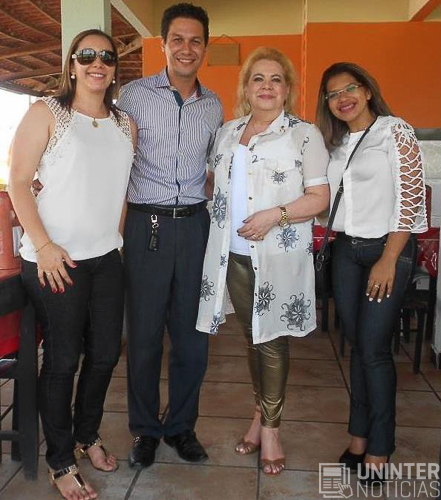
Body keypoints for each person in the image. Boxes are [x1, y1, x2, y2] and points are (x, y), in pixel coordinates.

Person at [9, 29, 136, 500]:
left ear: (114, 67)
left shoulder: (125, 123)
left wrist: (114, 242)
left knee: (105, 355)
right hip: (55, 260)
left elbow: (118, 189)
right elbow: (18, 182)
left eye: (106, 56)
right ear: (72, 64)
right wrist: (43, 245)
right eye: (87, 55)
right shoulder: (47, 113)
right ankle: (60, 459)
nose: (97, 63)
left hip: (106, 258)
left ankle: (87, 435)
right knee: (63, 360)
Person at [196, 47, 330, 476]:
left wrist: (275, 215)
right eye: (258, 78)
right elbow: (213, 183)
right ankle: (260, 415)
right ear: (246, 88)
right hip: (232, 257)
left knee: (271, 339)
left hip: (278, 256)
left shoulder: (304, 135)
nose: (267, 86)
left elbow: (319, 198)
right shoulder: (228, 132)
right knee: (252, 339)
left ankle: (270, 429)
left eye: (276, 79)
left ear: (287, 89)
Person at [117, 3, 223, 468]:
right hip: (147, 225)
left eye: (195, 40)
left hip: (196, 227)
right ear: (162, 44)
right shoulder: (133, 96)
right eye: (177, 39)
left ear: (205, 47)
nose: (186, 48)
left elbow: (214, 170)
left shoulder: (214, 105)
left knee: (192, 337)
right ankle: (145, 429)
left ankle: (181, 426)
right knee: (143, 337)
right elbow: (108, 156)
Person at [316, 62, 427, 485]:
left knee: (375, 350)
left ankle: (380, 447)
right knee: (358, 345)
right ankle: (358, 437)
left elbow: (410, 199)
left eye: (349, 88)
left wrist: (389, 257)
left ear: (366, 91)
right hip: (347, 251)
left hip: (387, 249)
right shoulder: (335, 143)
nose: (342, 98)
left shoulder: (394, 131)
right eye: (332, 94)